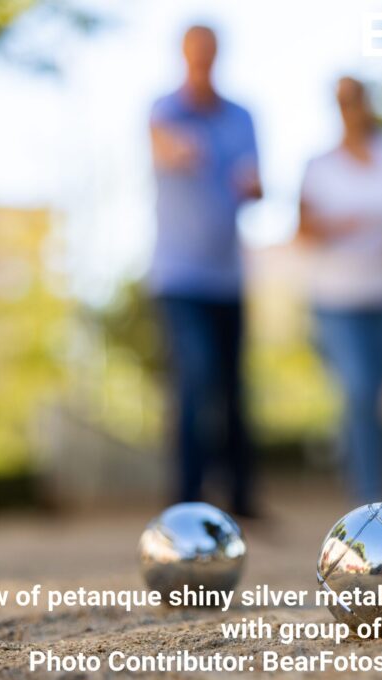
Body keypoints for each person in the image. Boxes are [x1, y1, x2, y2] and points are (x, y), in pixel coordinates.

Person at [148, 25, 263, 517]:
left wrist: (251, 183)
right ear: (183, 56)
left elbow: (257, 183)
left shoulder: (242, 116)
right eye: (194, 55)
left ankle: (241, 499)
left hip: (228, 275)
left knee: (234, 387)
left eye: (208, 54)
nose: (201, 63)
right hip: (178, 275)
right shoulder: (164, 111)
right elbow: (167, 148)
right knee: (196, 378)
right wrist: (191, 150)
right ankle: (187, 502)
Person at [296, 77, 382, 502]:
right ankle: (369, 497)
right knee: (360, 390)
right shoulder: (320, 165)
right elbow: (303, 229)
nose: (351, 109)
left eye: (356, 100)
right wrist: (339, 224)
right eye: (343, 102)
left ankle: (376, 489)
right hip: (337, 298)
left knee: (380, 399)